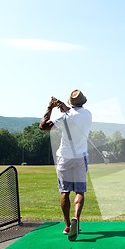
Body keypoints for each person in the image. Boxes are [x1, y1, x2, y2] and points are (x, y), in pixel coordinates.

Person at [39, 89, 92, 241]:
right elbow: (73, 114)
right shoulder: (88, 114)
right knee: (79, 192)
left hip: (64, 157)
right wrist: (62, 106)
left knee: (65, 192)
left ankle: (68, 225)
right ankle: (76, 218)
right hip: (80, 158)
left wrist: (50, 107)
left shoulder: (64, 117)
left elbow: (43, 126)